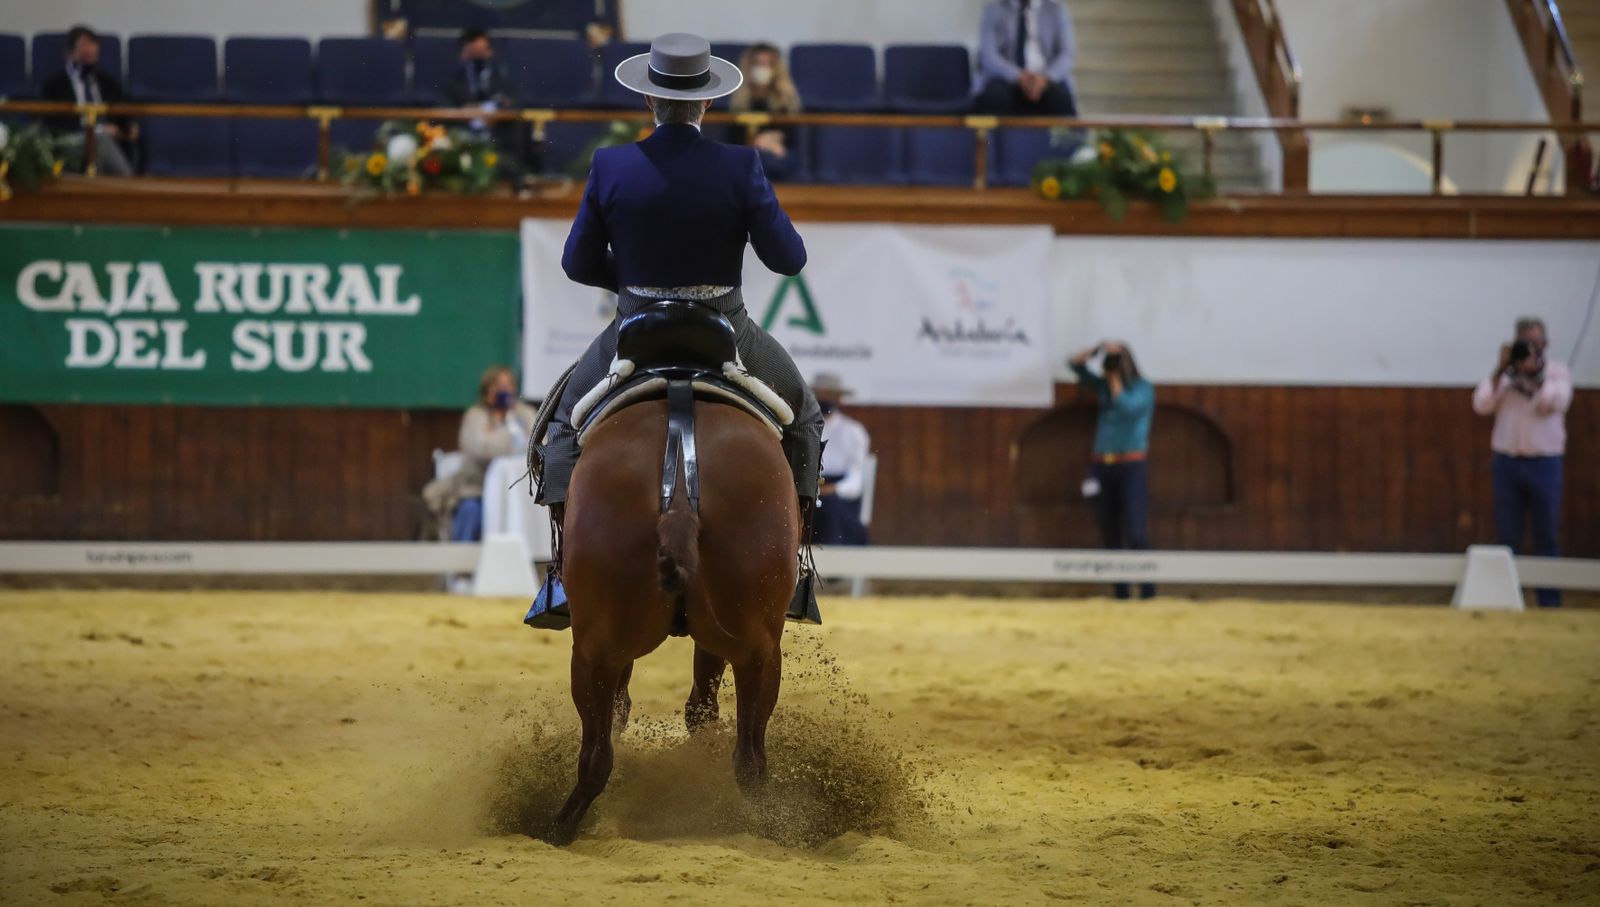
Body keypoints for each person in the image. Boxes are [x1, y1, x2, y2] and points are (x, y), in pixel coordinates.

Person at [528, 33, 824, 629]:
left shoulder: (611, 164)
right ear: (707, 104)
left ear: (649, 102)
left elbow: (576, 264)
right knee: (806, 419)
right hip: (727, 329)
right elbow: (789, 259)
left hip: (633, 327)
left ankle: (561, 577)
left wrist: (636, 285)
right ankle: (793, 571)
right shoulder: (741, 164)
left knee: (560, 422)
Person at [1472, 317, 1572, 607]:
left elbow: (1555, 403)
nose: (1530, 348)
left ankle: (1549, 601)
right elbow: (1481, 404)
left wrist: (1535, 375)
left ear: (1545, 344)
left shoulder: (1558, 373)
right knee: (1507, 533)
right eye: (1524, 342)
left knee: (1546, 533)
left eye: (1535, 342)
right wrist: (1501, 370)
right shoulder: (1504, 374)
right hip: (1507, 462)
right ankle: (1506, 598)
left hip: (1545, 462)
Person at [1069, 341, 1156, 600]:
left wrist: (1116, 379)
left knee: (1136, 530)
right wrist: (1096, 350)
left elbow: (1127, 408)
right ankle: (1120, 592)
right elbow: (1074, 365)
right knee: (1109, 531)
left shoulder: (1143, 389)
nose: (1113, 365)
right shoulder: (1103, 386)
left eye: (1118, 360)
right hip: (1102, 465)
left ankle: (1148, 590)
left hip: (1131, 464)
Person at [424, 365, 538, 543]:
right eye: (498, 386)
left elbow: (538, 443)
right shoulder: (475, 416)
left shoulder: (525, 414)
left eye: (509, 385)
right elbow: (481, 449)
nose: (504, 390)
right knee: (470, 511)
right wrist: (507, 431)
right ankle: (460, 567)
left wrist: (496, 433)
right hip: (477, 490)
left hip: (519, 493)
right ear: (487, 391)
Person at [41, 25, 137, 176]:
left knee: (102, 142)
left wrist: (128, 127)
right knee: (100, 141)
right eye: (85, 57)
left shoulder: (108, 83)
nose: (90, 62)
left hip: (109, 141)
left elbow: (124, 116)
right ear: (69, 54)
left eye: (93, 57)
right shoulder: (53, 86)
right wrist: (94, 131)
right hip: (72, 141)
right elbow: (50, 124)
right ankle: (128, 186)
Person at [446, 27, 537, 179]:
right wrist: (465, 113)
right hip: (463, 137)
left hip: (497, 137)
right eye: (473, 52)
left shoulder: (501, 76)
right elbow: (444, 108)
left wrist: (496, 113)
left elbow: (514, 102)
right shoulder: (452, 80)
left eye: (483, 51)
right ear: (463, 53)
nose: (479, 57)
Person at [975, 0, 1079, 116]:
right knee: (994, 97)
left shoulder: (1056, 10)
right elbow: (988, 55)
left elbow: (1067, 53)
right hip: (1005, 78)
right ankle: (992, 135)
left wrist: (1045, 78)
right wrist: (1018, 76)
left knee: (1061, 98)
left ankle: (1068, 135)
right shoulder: (993, 10)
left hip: (1045, 78)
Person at [726, 42, 802, 182]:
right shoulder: (739, 102)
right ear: (749, 67)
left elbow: (791, 139)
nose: (762, 68)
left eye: (767, 64)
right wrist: (756, 142)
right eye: (758, 63)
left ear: (776, 69)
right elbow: (732, 141)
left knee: (774, 161)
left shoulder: (786, 101)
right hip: (746, 155)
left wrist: (774, 140)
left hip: (778, 156)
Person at [812, 373, 872, 546]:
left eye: (829, 395)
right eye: (821, 394)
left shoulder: (853, 431)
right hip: (808, 489)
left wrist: (833, 489)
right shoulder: (804, 428)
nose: (824, 399)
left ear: (838, 398)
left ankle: (833, 568)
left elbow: (856, 479)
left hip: (838, 497)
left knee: (830, 509)